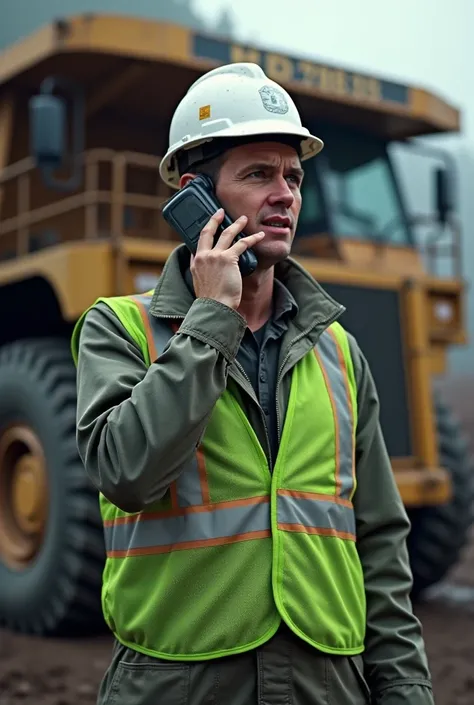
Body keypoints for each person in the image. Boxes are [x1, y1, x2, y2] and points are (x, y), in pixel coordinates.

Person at [72, 63, 435, 705]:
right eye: (258, 175)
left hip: (327, 687)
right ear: (197, 196)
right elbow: (125, 472)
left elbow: (378, 539)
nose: (286, 195)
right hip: (177, 684)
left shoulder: (341, 354)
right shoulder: (119, 328)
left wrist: (405, 688)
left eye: (293, 176)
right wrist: (212, 319)